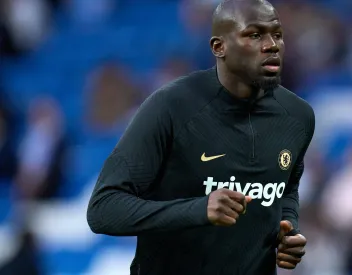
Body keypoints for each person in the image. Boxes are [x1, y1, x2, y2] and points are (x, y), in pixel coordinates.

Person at [86, 0, 315, 274]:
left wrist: (288, 230)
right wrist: (199, 210)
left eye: (277, 34)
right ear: (219, 47)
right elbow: (103, 210)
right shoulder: (170, 108)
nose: (271, 45)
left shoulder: (298, 117)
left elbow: (285, 190)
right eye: (254, 35)